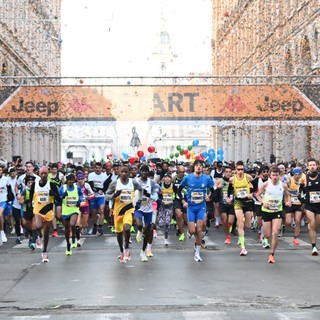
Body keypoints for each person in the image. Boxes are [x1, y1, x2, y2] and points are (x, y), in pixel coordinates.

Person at [178, 160, 214, 262]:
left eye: (200, 166)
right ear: (194, 167)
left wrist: (209, 196)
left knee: (199, 229)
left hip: (201, 207)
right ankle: (189, 233)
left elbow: (214, 191)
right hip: (191, 207)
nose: (199, 167)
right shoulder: (188, 178)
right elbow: (178, 190)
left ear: (202, 168)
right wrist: (183, 201)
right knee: (192, 230)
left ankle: (197, 253)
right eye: (197, 166)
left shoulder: (207, 179)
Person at [105, 165, 142, 263]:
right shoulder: (114, 183)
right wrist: (114, 195)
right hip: (117, 212)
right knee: (119, 233)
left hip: (128, 210)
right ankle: (121, 251)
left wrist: (139, 201)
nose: (124, 174)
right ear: (119, 173)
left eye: (126, 172)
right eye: (122, 172)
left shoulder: (133, 183)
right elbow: (106, 197)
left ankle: (127, 249)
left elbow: (141, 190)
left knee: (127, 228)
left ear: (129, 173)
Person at [256, 167, 291, 263]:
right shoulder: (266, 184)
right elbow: (258, 195)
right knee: (267, 235)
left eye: (276, 175)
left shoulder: (283, 185)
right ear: (270, 175)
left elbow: (288, 195)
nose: (275, 177)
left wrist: (288, 202)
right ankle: (264, 237)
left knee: (275, 232)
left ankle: (272, 254)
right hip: (266, 211)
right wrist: (263, 202)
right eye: (273, 175)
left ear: (279, 175)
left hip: (277, 211)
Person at [29, 167, 60, 263]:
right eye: (41, 173)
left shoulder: (52, 185)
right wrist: (30, 204)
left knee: (46, 232)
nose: (43, 175)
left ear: (48, 174)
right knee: (38, 226)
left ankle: (45, 252)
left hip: (48, 210)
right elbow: (31, 197)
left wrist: (53, 194)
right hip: (38, 209)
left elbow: (59, 199)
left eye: (45, 173)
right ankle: (39, 236)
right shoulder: (35, 185)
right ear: (39, 174)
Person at [228, 160, 254, 256]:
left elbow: (254, 186)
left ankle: (241, 234)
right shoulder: (232, 179)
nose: (240, 171)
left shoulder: (248, 177)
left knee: (247, 225)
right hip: (238, 202)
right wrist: (230, 198)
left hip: (247, 202)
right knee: (240, 222)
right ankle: (242, 248)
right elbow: (229, 190)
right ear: (235, 169)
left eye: (242, 169)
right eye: (238, 169)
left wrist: (251, 193)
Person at [135, 165, 159, 262]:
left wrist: (147, 194)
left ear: (148, 172)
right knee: (139, 224)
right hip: (138, 207)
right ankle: (139, 231)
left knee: (148, 232)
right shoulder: (135, 181)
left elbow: (156, 197)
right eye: (142, 171)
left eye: (146, 171)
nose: (144, 172)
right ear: (140, 171)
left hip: (149, 209)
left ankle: (143, 251)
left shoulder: (152, 183)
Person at [299, 158, 320, 256]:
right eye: (310, 165)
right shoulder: (304, 178)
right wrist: (302, 200)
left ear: (316, 166)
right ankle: (314, 246)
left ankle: (313, 231)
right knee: (312, 224)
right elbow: (300, 192)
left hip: (319, 205)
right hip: (309, 205)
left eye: (313, 165)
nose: (312, 167)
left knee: (316, 226)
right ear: (307, 167)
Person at [59, 174, 83, 255]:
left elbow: (81, 194)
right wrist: (62, 196)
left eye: (72, 180)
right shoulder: (63, 188)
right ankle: (68, 245)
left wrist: (79, 200)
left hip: (74, 209)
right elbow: (58, 197)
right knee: (66, 229)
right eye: (69, 180)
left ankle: (73, 237)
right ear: (67, 180)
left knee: (72, 224)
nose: (71, 182)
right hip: (65, 210)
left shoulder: (77, 187)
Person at [88, 162, 111, 235]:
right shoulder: (91, 175)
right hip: (93, 195)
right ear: (94, 168)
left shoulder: (104, 176)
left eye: (99, 168)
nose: (98, 169)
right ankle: (95, 225)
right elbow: (91, 185)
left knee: (101, 210)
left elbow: (106, 186)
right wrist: (98, 190)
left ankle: (100, 227)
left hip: (101, 196)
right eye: (96, 168)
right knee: (94, 212)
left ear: (101, 169)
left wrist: (103, 191)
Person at [216, 166, 235, 245]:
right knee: (224, 220)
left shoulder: (234, 181)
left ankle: (228, 228)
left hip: (232, 203)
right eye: (226, 172)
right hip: (223, 203)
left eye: (229, 172)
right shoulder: (220, 180)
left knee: (230, 221)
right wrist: (218, 187)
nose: (228, 173)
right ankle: (228, 236)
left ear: (231, 173)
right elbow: (215, 190)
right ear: (224, 172)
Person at [285, 168, 303, 245]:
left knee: (298, 221)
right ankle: (283, 225)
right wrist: (289, 194)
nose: (297, 176)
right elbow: (284, 190)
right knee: (288, 222)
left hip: (298, 203)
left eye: (299, 174)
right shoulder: (289, 181)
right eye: (296, 174)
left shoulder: (302, 181)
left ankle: (295, 238)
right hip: (290, 203)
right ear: (293, 174)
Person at [48, 163, 65, 238]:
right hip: (51, 197)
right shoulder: (48, 176)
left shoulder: (60, 175)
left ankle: (65, 224)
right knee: (53, 214)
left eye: (55, 169)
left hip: (58, 196)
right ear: (51, 169)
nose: (54, 170)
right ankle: (55, 230)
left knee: (58, 215)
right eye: (53, 169)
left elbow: (64, 184)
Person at [157, 173, 174, 246]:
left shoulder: (173, 186)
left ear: (171, 179)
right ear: (163, 178)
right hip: (162, 206)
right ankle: (156, 229)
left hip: (170, 206)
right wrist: (160, 201)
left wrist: (173, 199)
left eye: (168, 177)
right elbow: (156, 195)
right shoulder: (160, 185)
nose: (167, 179)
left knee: (167, 223)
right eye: (165, 177)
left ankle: (166, 238)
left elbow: (177, 194)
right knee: (161, 224)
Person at [172, 164, 187, 241]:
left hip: (185, 200)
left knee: (185, 219)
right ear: (177, 171)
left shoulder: (186, 178)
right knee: (178, 215)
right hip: (177, 199)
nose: (182, 173)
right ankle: (182, 233)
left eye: (183, 172)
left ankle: (180, 227)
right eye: (181, 172)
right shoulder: (174, 178)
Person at [0, 165, 13, 245]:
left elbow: (9, 189)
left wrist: (9, 199)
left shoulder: (6, 179)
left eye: (0, 170)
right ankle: (2, 232)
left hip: (3, 200)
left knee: (3, 217)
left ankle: (2, 232)